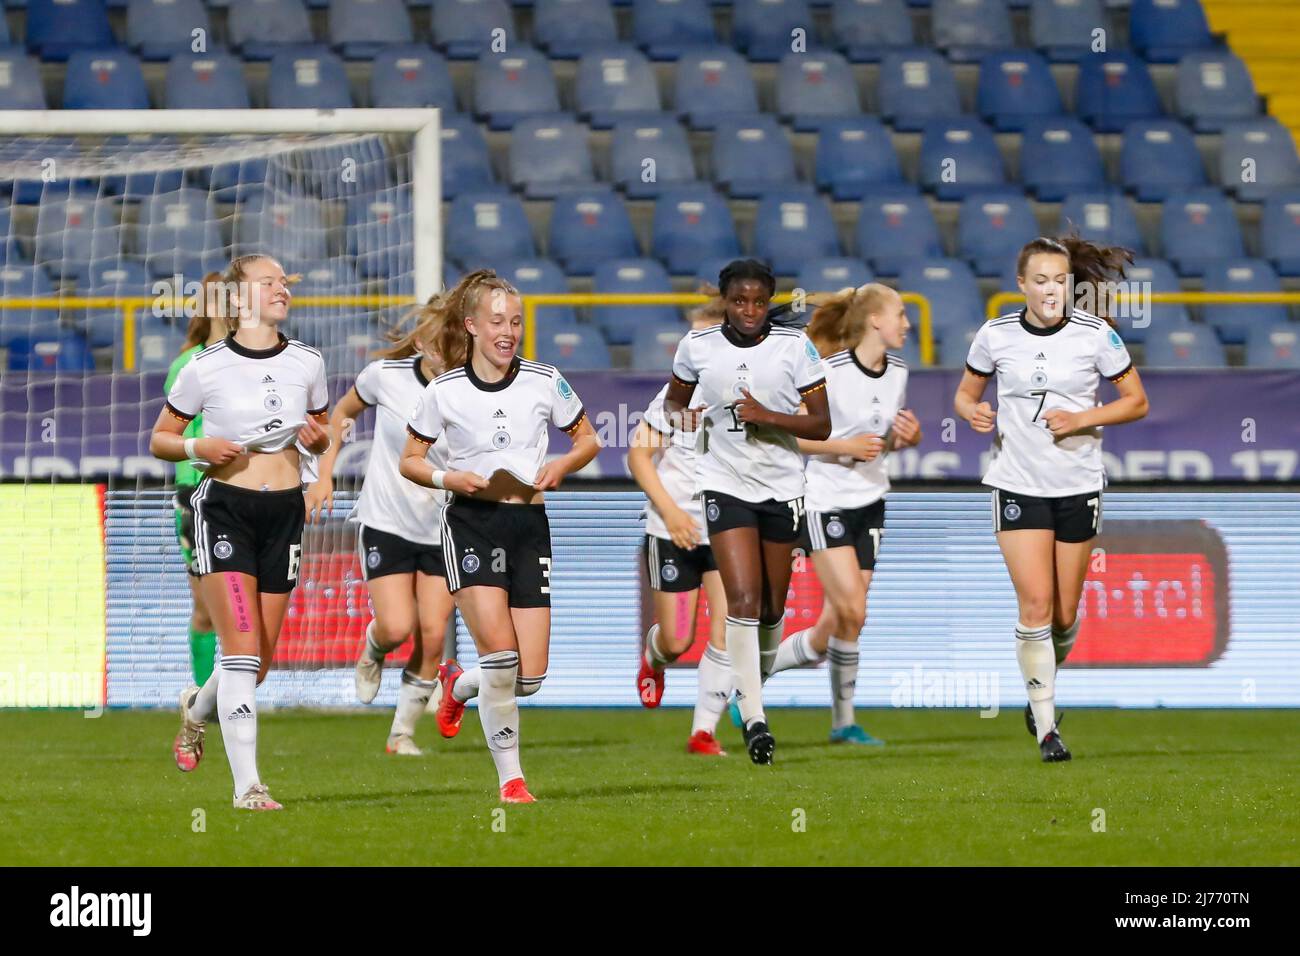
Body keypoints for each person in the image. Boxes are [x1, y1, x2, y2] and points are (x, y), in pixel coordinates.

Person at [399, 269, 601, 803]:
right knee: (503, 661)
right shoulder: (444, 391)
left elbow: (588, 439)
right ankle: (512, 780)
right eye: (496, 321)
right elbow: (411, 460)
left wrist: (561, 467)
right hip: (470, 522)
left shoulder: (544, 380)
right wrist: (450, 478)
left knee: (529, 678)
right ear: (471, 326)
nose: (508, 331)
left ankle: (459, 686)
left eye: (515, 320)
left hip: (529, 526)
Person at [954, 236, 1149, 762]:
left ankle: (1041, 681)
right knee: (1035, 603)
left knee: (1063, 616)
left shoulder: (1096, 336)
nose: (1050, 291)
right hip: (1017, 484)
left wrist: (1083, 418)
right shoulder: (994, 335)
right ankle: (1046, 726)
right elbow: (966, 393)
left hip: (1079, 485)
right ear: (1021, 284)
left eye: (1059, 281)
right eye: (1040, 280)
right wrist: (971, 411)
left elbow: (1136, 402)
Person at [151, 254, 331, 810]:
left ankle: (196, 711)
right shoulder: (203, 366)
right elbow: (160, 439)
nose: (282, 288)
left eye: (284, 281)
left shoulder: (308, 361)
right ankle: (248, 787)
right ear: (237, 299)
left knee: (259, 661)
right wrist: (198, 447)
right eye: (268, 281)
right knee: (242, 653)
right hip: (223, 508)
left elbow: (320, 436)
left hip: (284, 513)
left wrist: (318, 447)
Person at [660, 259, 831, 766]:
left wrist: (765, 417)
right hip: (722, 484)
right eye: (739, 301)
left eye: (759, 302)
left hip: (781, 488)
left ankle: (749, 686)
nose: (750, 310)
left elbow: (820, 425)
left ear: (768, 302)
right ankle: (755, 719)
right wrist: (684, 416)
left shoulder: (794, 348)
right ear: (726, 301)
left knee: (773, 607)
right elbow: (673, 405)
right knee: (743, 598)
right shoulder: (697, 348)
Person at [761, 284, 922, 744]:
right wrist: (842, 447)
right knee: (853, 607)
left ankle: (835, 720)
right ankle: (752, 687)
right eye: (901, 314)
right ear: (874, 320)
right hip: (825, 499)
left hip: (871, 501)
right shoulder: (827, 372)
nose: (907, 324)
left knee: (841, 622)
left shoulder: (899, 373)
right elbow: (789, 435)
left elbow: (880, 441)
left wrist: (904, 440)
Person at [304, 302, 456, 756]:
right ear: (424, 342)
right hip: (386, 519)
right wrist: (324, 472)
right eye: (437, 341)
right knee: (396, 626)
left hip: (444, 524)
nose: (445, 350)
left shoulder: (469, 388)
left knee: (432, 633)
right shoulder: (384, 376)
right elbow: (341, 415)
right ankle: (374, 646)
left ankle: (401, 734)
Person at [629, 293, 732, 756]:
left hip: (728, 525)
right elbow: (638, 454)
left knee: (729, 624)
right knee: (676, 639)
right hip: (672, 527)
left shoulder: (751, 396)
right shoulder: (675, 399)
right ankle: (654, 659)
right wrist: (670, 512)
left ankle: (703, 731)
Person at [164, 272, 226, 686]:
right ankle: (204, 699)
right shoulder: (187, 365)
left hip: (254, 492)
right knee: (206, 608)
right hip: (199, 493)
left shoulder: (269, 363)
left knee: (250, 607)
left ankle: (236, 692)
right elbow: (171, 437)